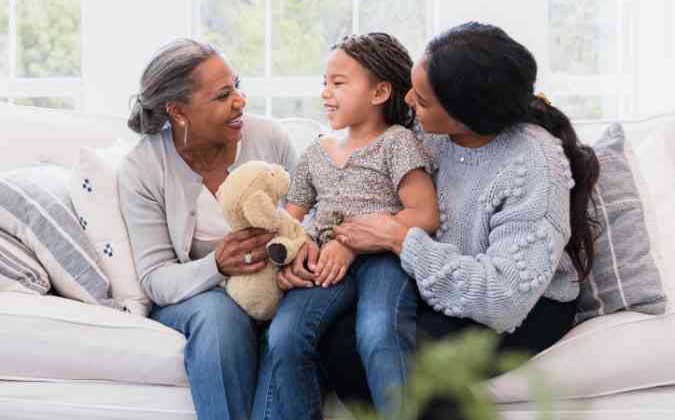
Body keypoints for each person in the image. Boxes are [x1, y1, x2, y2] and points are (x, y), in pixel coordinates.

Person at [301, 22, 600, 407]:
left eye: (423, 100)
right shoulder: (424, 132)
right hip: (432, 284)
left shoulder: (533, 165)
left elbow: (502, 298)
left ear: (466, 115)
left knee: (403, 362)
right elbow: (353, 187)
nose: (408, 100)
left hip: (522, 303)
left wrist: (397, 238)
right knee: (338, 342)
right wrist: (310, 242)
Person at [252, 33, 440, 420]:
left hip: (384, 259)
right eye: (324, 82)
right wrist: (293, 255)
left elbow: (423, 215)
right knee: (284, 338)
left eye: (338, 83)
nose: (325, 92)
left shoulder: (397, 143)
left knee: (379, 334)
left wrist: (352, 241)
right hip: (324, 265)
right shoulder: (315, 152)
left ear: (380, 92)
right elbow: (290, 219)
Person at [118, 38, 296, 420]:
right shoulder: (145, 167)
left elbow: (304, 220)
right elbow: (155, 277)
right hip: (196, 299)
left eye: (238, 85)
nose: (240, 101)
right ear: (178, 111)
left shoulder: (269, 138)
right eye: (222, 95)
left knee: (295, 325)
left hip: (275, 285)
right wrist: (217, 264)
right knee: (219, 317)